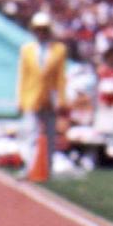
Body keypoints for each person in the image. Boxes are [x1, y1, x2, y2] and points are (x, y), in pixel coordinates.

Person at [17, 11, 68, 177]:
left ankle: (49, 167)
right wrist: (21, 99)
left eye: (44, 29)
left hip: (50, 97)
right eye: (38, 29)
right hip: (32, 97)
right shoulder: (27, 50)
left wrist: (61, 99)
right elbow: (23, 76)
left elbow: (61, 77)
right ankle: (29, 166)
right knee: (30, 133)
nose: (41, 32)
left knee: (51, 134)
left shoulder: (59, 50)